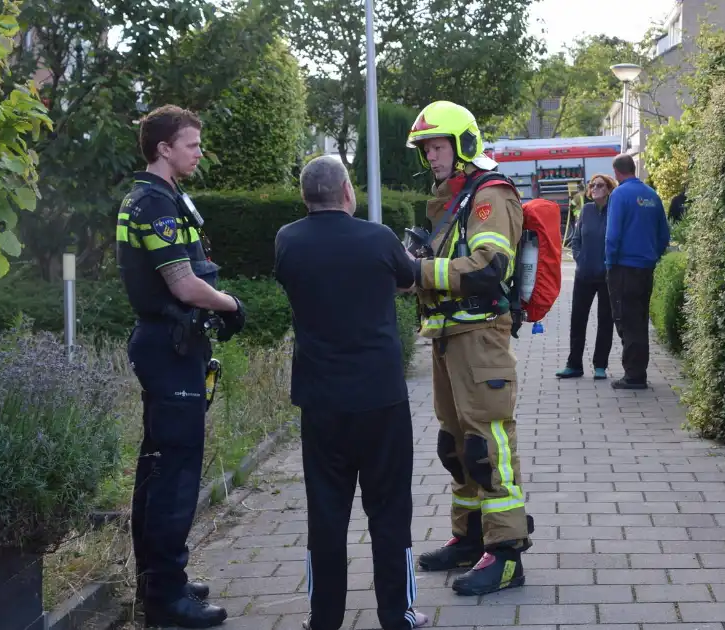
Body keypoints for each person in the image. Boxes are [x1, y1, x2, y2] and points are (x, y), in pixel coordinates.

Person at [273, 155, 429, 630]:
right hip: (380, 396)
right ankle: (396, 615)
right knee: (389, 508)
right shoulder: (378, 238)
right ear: (346, 192)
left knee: (326, 511)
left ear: (305, 196)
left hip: (320, 399)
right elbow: (410, 278)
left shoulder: (288, 240)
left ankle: (324, 618)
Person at [116, 105, 245, 628]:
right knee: (175, 472)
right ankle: (167, 602)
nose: (198, 151)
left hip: (169, 344)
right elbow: (183, 283)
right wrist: (232, 305)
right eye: (190, 144)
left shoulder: (158, 197)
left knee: (158, 466)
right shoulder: (154, 202)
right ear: (163, 148)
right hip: (169, 347)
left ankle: (160, 580)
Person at [402, 100, 534, 596]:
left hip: (480, 338)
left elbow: (486, 268)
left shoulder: (489, 195)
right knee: (455, 446)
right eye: (426, 149)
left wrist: (417, 272)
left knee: (487, 444)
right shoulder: (451, 198)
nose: (431, 157)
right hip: (448, 336)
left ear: (464, 145)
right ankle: (470, 537)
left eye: (437, 146)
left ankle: (505, 555)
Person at [604, 154, 670, 390]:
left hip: (624, 267)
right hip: (646, 267)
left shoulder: (619, 195)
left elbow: (612, 235)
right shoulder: (652, 195)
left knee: (626, 319)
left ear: (617, 172)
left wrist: (610, 263)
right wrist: (653, 255)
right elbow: (664, 234)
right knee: (640, 319)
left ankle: (634, 376)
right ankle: (638, 371)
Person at [556, 173, 617, 380]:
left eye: (600, 185)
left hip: (607, 276)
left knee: (605, 321)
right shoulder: (587, 210)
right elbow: (576, 238)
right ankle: (574, 365)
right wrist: (579, 258)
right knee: (578, 319)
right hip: (584, 274)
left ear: (609, 189)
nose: (595, 188)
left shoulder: (615, 211)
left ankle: (600, 365)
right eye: (593, 185)